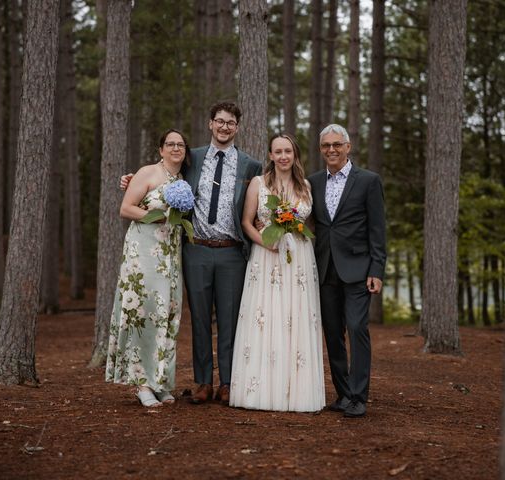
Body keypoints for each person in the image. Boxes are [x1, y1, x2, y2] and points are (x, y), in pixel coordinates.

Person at [121, 102, 262, 405]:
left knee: (229, 319)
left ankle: (227, 381)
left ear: (237, 127)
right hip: (196, 249)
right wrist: (131, 180)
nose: (225, 127)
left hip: (231, 252)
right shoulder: (191, 157)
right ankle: (202, 382)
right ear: (211, 124)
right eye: (219, 121)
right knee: (199, 318)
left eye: (231, 123)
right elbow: (163, 175)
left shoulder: (250, 165)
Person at [229, 134, 325, 412]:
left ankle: (295, 392)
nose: (283, 156)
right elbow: (247, 222)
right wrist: (265, 243)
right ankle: (260, 391)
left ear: (295, 155)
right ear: (270, 155)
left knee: (294, 318)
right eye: (278, 151)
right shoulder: (259, 184)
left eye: (288, 151)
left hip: (299, 260)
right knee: (267, 316)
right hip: (266, 256)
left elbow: (312, 224)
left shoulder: (305, 186)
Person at [106, 129, 191, 408]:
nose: (176, 148)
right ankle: (142, 384)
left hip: (170, 256)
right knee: (144, 311)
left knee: (167, 314)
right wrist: (153, 217)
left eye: (180, 144)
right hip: (143, 254)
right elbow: (126, 208)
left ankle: (161, 382)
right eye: (170, 144)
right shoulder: (147, 173)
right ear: (161, 149)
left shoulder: (181, 180)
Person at [308, 124, 386, 418]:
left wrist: (377, 269)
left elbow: (378, 230)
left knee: (356, 328)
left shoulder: (368, 181)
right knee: (332, 334)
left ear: (348, 147)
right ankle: (343, 394)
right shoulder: (313, 182)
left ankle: (358, 395)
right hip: (325, 269)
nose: (331, 150)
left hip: (358, 270)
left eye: (336, 145)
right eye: (326, 145)